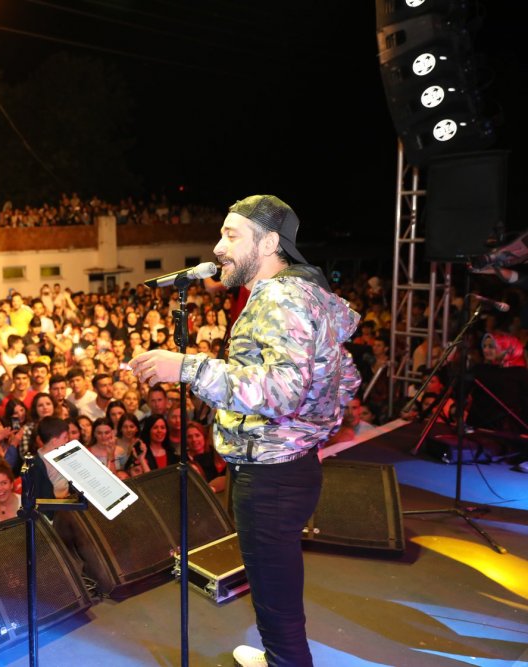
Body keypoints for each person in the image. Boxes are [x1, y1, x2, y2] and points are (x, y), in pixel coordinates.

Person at [130, 194, 360, 667]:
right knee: (275, 587)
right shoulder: (303, 292)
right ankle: (279, 656)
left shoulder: (280, 296)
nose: (218, 246)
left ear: (271, 242)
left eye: (231, 235)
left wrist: (189, 367)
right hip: (287, 462)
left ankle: (286, 662)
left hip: (272, 472)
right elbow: (343, 375)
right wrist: (309, 428)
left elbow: (282, 391)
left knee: (275, 596)